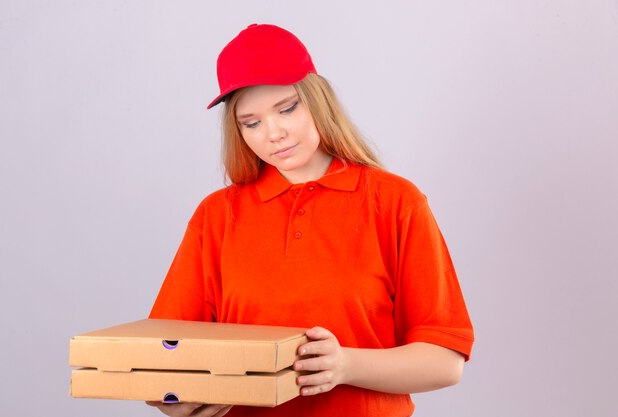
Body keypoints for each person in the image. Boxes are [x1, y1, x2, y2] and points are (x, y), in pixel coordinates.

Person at [146, 23, 474, 417]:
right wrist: (178, 402)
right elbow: (159, 358)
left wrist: (346, 365)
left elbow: (445, 360)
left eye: (287, 108)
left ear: (317, 100)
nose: (275, 133)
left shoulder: (395, 202)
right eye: (252, 123)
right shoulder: (217, 216)